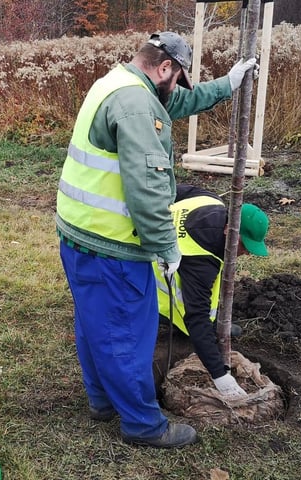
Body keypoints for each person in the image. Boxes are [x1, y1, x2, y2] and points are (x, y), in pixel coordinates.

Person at [55, 31, 257, 449]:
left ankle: (102, 402)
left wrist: (229, 84)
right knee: (129, 334)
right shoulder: (135, 107)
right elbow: (147, 187)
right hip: (112, 245)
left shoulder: (119, 83)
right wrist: (167, 246)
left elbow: (180, 102)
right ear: (165, 68)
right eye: (178, 78)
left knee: (95, 324)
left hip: (78, 232)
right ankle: (143, 425)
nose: (178, 89)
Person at [153, 184, 270, 399]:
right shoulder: (201, 261)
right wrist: (219, 375)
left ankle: (212, 326)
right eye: (244, 246)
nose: (246, 253)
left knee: (199, 314)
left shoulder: (209, 199)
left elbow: (168, 190)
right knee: (184, 315)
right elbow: (196, 316)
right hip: (150, 279)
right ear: (228, 230)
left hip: (166, 252)